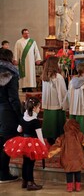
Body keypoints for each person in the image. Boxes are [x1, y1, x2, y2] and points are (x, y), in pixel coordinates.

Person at [4, 97, 48, 191]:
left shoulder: (23, 118)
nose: (39, 109)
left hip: (24, 142)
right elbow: (40, 137)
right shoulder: (35, 121)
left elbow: (18, 130)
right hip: (32, 144)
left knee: (25, 163)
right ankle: (30, 183)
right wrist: (43, 147)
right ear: (34, 108)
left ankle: (24, 181)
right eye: (39, 107)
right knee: (30, 164)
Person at [48, 119, 84, 192]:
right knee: (78, 172)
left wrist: (49, 153)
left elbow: (57, 147)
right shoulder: (80, 135)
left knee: (69, 173)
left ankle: (69, 187)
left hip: (67, 159)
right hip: (78, 159)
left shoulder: (63, 137)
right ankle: (78, 187)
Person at [0, 49, 22, 183]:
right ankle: (3, 174)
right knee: (6, 144)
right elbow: (13, 98)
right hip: (6, 113)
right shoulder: (11, 74)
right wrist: (20, 115)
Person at [41, 56, 68, 145]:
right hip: (56, 104)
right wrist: (64, 103)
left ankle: (49, 139)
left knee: (49, 123)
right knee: (58, 124)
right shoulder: (58, 77)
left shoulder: (44, 76)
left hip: (47, 104)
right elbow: (62, 91)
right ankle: (58, 138)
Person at [68, 62, 84, 150]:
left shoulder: (72, 81)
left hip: (73, 107)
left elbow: (68, 94)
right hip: (82, 108)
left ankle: (73, 143)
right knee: (82, 126)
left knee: (73, 126)